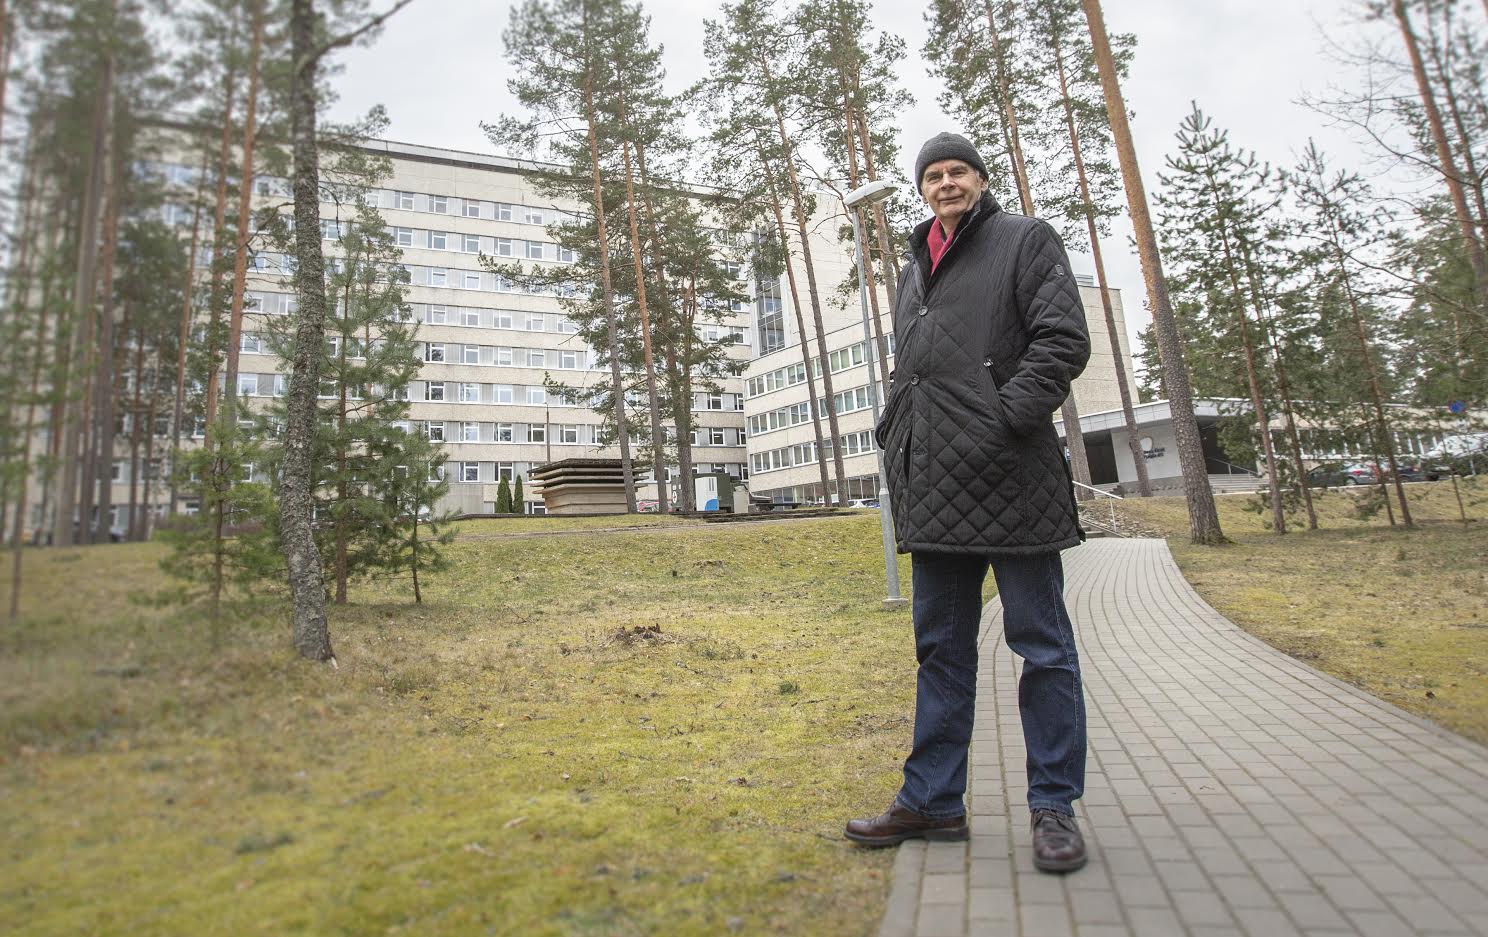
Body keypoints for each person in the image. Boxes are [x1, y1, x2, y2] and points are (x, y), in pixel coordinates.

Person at [845, 132, 1091, 874]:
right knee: (939, 653)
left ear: (981, 180)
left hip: (1012, 479)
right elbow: (910, 366)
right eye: (933, 175)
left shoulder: (1025, 240)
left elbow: (1062, 341)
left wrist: (1004, 418)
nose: (945, 183)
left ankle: (1054, 806)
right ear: (922, 189)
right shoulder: (913, 265)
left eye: (958, 171)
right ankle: (933, 802)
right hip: (936, 486)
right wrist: (897, 426)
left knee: (1042, 647)